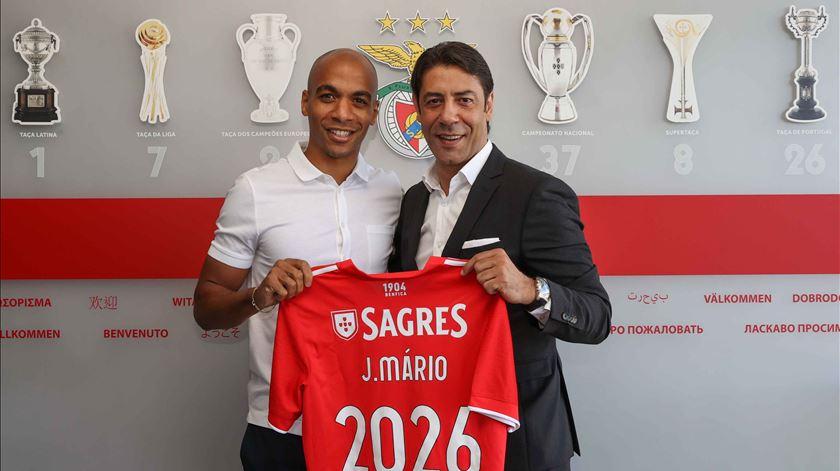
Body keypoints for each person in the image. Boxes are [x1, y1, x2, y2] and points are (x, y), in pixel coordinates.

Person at [388, 41, 611, 471]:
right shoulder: (412, 202)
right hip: (432, 437)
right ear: (417, 110)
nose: (448, 115)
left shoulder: (536, 194)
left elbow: (597, 316)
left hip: (519, 441)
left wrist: (530, 290)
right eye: (434, 101)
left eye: (464, 100)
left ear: (488, 105)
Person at [193, 49, 401, 471]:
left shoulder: (393, 192)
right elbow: (205, 308)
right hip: (282, 428)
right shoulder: (255, 190)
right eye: (329, 97)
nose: (343, 113)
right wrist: (261, 295)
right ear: (305, 102)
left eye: (359, 100)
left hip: (374, 423)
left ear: (375, 112)